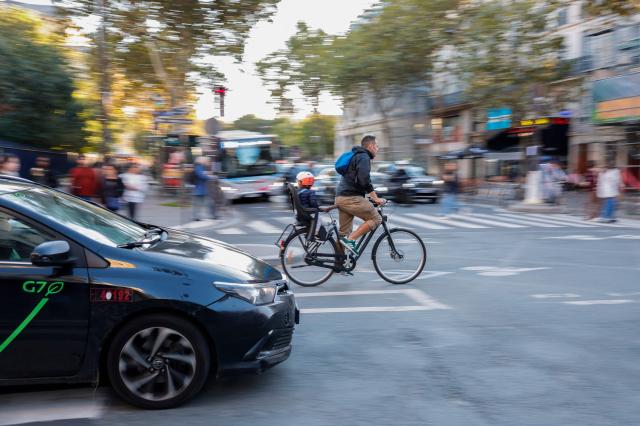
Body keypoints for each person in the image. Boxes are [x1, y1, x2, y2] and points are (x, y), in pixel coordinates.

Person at [335, 135, 385, 255]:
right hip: (351, 198)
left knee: (343, 233)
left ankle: (339, 263)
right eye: (377, 146)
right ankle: (351, 240)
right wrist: (375, 198)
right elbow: (364, 180)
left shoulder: (356, 156)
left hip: (341, 197)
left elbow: (356, 180)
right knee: (376, 218)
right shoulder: (364, 157)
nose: (377, 149)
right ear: (371, 146)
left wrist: (366, 196)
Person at [192, 157, 213, 221]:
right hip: (199, 189)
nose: (208, 163)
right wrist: (210, 177)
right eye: (207, 161)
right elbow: (201, 175)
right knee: (202, 203)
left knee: (208, 202)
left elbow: (202, 174)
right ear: (203, 161)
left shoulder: (200, 166)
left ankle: (211, 215)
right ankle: (196, 216)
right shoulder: (199, 166)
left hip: (202, 189)